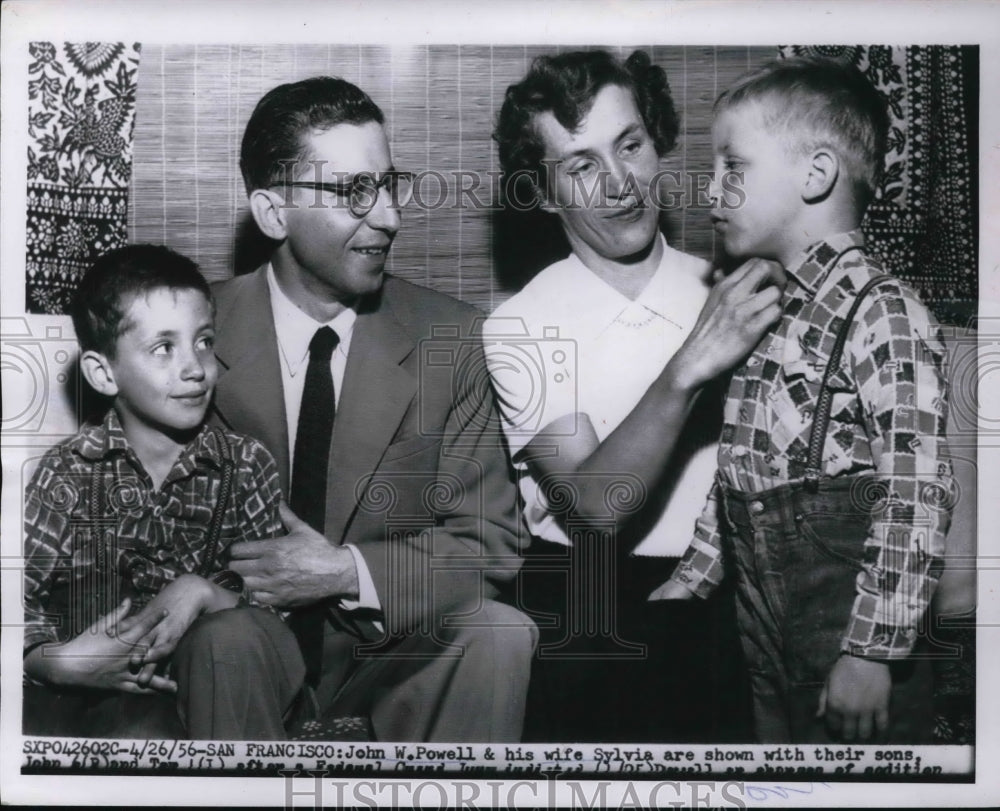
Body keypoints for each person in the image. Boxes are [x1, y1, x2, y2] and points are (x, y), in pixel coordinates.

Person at [213, 76, 535, 742]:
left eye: (390, 184)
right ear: (274, 213)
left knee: (500, 631)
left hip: (387, 663)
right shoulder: (191, 337)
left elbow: (489, 545)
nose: (389, 215)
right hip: (232, 655)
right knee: (227, 639)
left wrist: (343, 572)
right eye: (355, 191)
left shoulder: (452, 339)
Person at [484, 49, 782, 741]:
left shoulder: (732, 290)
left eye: (630, 145)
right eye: (582, 166)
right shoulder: (521, 326)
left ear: (657, 143)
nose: (620, 183)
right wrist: (691, 363)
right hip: (594, 609)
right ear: (544, 189)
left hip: (735, 590)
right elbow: (597, 507)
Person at [660, 56, 952, 744]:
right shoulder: (759, 310)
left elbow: (916, 491)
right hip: (761, 636)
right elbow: (737, 471)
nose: (712, 191)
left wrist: (870, 649)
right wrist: (691, 579)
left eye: (734, 168)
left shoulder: (884, 313)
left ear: (815, 175)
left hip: (849, 644)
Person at [22, 244, 304, 740]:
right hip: (112, 699)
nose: (195, 367)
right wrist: (55, 663)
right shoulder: (65, 474)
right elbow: (16, 607)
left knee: (232, 639)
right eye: (163, 348)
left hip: (230, 680)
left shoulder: (246, 465)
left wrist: (200, 592)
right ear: (103, 373)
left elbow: (277, 610)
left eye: (204, 341)